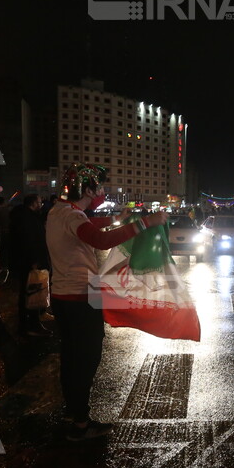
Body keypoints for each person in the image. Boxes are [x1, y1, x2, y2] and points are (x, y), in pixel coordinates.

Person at [46, 164, 167, 441]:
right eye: (99, 188)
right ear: (87, 190)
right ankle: (80, 424)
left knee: (71, 356)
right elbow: (99, 240)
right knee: (86, 358)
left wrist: (118, 218)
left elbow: (88, 229)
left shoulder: (58, 211)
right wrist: (146, 222)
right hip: (80, 295)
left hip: (66, 294)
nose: (101, 192)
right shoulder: (73, 216)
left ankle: (72, 411)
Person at [10, 194, 51, 337]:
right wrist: (34, 260)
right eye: (39, 202)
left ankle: (28, 324)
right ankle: (31, 325)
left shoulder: (23, 216)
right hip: (30, 262)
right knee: (32, 293)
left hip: (25, 261)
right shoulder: (27, 219)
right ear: (33, 203)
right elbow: (29, 241)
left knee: (27, 292)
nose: (41, 204)